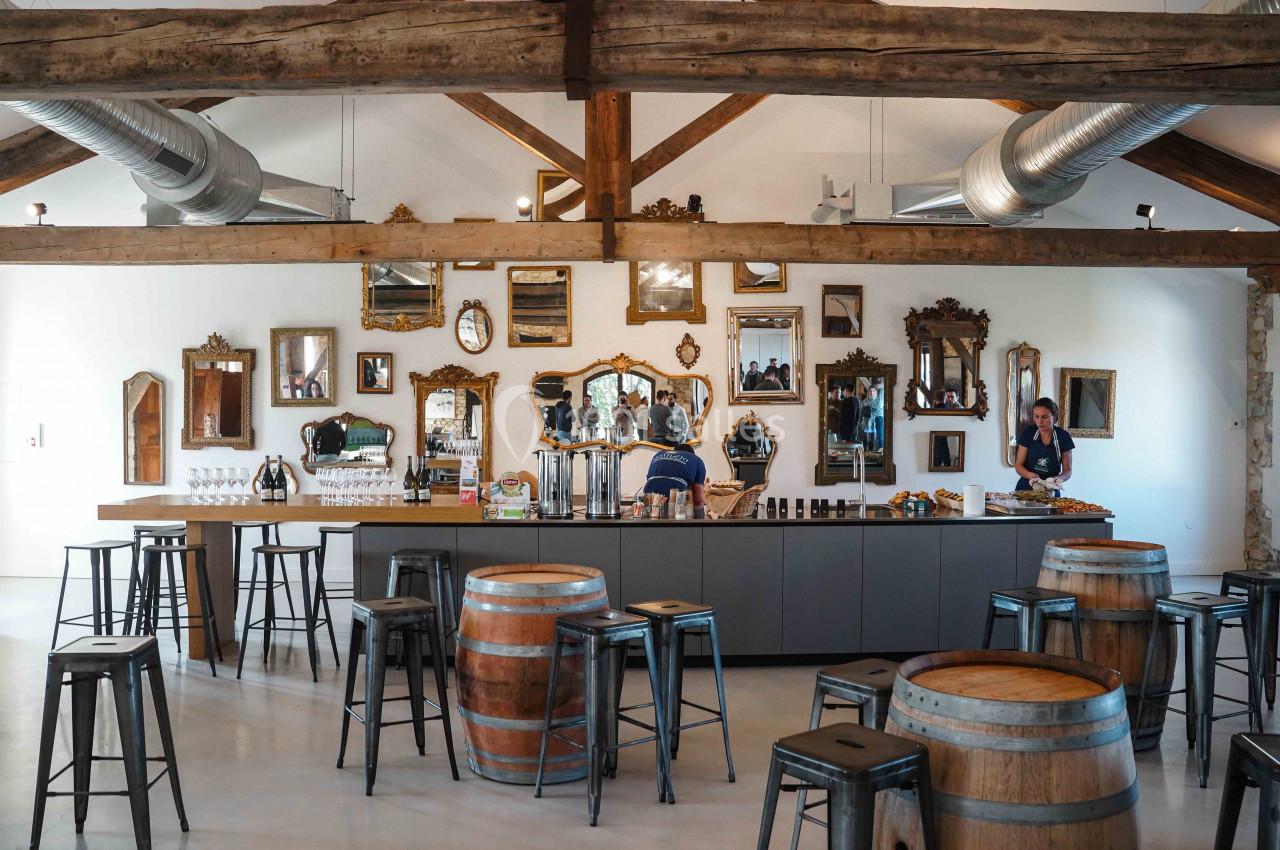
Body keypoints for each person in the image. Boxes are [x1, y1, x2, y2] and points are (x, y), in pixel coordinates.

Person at [1015, 396, 1075, 495]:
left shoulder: (1063, 436)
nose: (1039, 421)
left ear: (1054, 417)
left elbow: (1067, 471)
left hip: (1050, 489)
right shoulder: (1028, 433)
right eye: (1036, 416)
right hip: (1026, 488)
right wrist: (1031, 476)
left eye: (1044, 417)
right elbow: (1018, 465)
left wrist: (1058, 479)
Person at [641, 443, 706, 508]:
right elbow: (699, 500)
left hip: (649, 498)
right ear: (692, 454)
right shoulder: (696, 459)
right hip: (677, 500)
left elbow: (650, 479)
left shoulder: (658, 454)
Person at [867, 385, 884, 451]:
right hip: (872, 420)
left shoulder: (879, 399)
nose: (872, 392)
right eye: (870, 391)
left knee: (880, 436)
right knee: (872, 437)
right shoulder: (869, 400)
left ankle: (881, 449)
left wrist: (880, 387)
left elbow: (879, 406)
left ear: (876, 392)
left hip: (879, 418)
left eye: (873, 391)